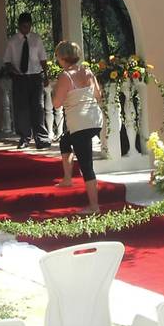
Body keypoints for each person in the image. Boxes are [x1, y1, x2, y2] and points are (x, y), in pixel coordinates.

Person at [52, 41, 104, 214]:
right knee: (65, 141)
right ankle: (67, 178)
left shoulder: (65, 76)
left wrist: (55, 90)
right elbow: (98, 95)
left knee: (86, 165)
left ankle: (94, 206)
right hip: (95, 120)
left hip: (80, 123)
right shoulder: (87, 71)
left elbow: (57, 103)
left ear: (62, 57)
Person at [2, 12, 50, 149]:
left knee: (38, 107)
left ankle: (41, 138)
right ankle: (24, 137)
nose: (26, 29)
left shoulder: (36, 39)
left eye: (28, 26)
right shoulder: (12, 41)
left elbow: (43, 59)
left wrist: (46, 76)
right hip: (20, 78)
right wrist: (13, 71)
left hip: (35, 77)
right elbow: (6, 61)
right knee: (22, 108)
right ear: (19, 26)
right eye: (23, 26)